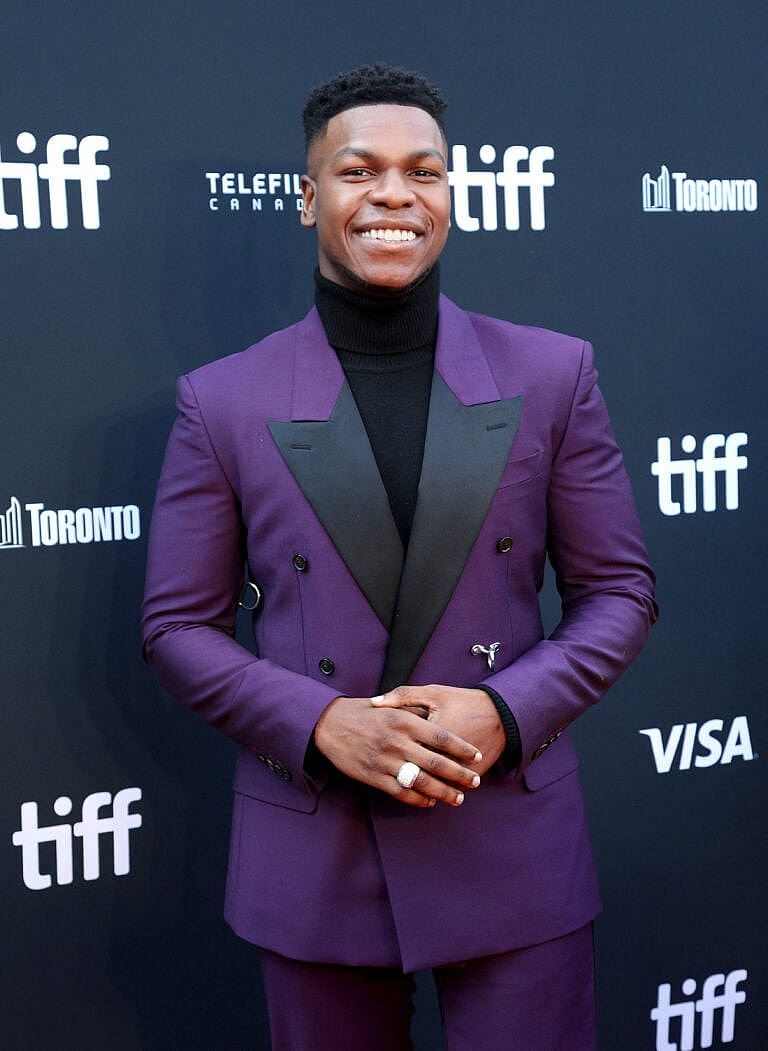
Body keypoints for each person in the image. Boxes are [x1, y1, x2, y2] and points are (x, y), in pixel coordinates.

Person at [142, 63, 657, 1051]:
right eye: (357, 169)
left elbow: (620, 591)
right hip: (316, 842)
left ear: (451, 195)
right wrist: (323, 722)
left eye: (423, 171)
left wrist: (507, 710)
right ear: (308, 198)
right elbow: (175, 627)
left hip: (506, 829)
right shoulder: (223, 399)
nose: (392, 193)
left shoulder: (552, 372)